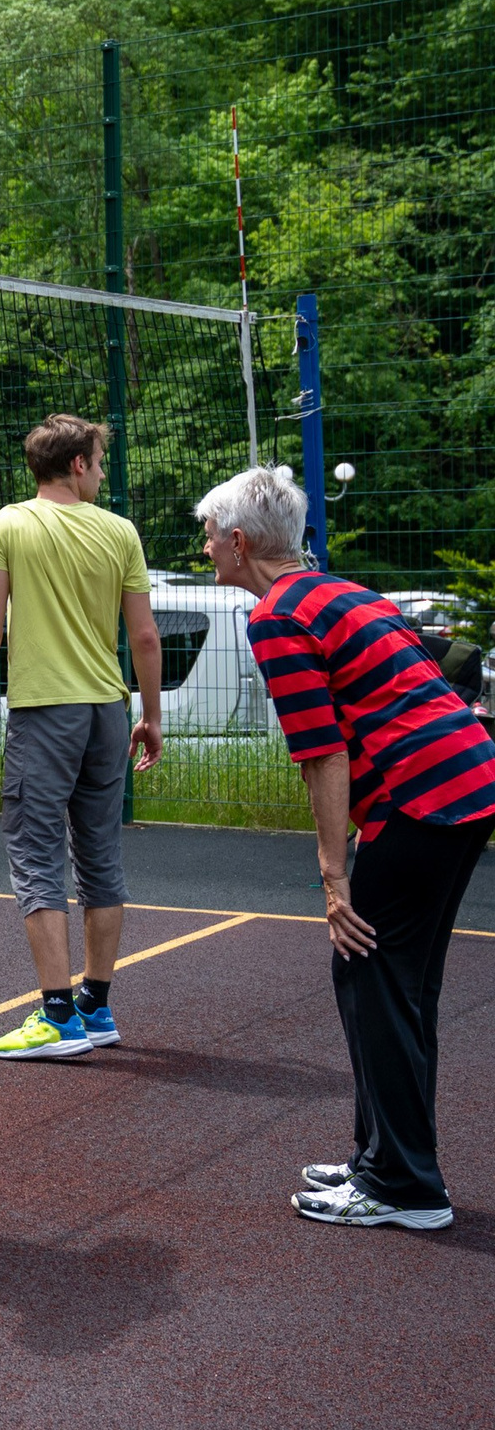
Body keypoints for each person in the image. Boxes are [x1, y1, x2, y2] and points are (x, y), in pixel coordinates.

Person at [201, 466, 495, 1230]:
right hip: (468, 780)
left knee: (369, 971)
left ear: (238, 541)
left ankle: (405, 1186)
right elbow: (436, 676)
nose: (205, 549)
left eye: (209, 535)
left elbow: (323, 753)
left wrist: (335, 877)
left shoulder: (275, 617)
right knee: (397, 982)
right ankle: (384, 1158)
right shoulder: (345, 592)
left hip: (420, 798)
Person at [0, 414, 164, 1060]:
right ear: (77, 464)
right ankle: (95, 1007)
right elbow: (145, 636)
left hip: (45, 711)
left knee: (37, 857)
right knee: (100, 858)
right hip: (108, 708)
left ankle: (56, 1018)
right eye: (100, 461)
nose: (102, 472)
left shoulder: (7, 524)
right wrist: (152, 715)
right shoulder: (119, 531)